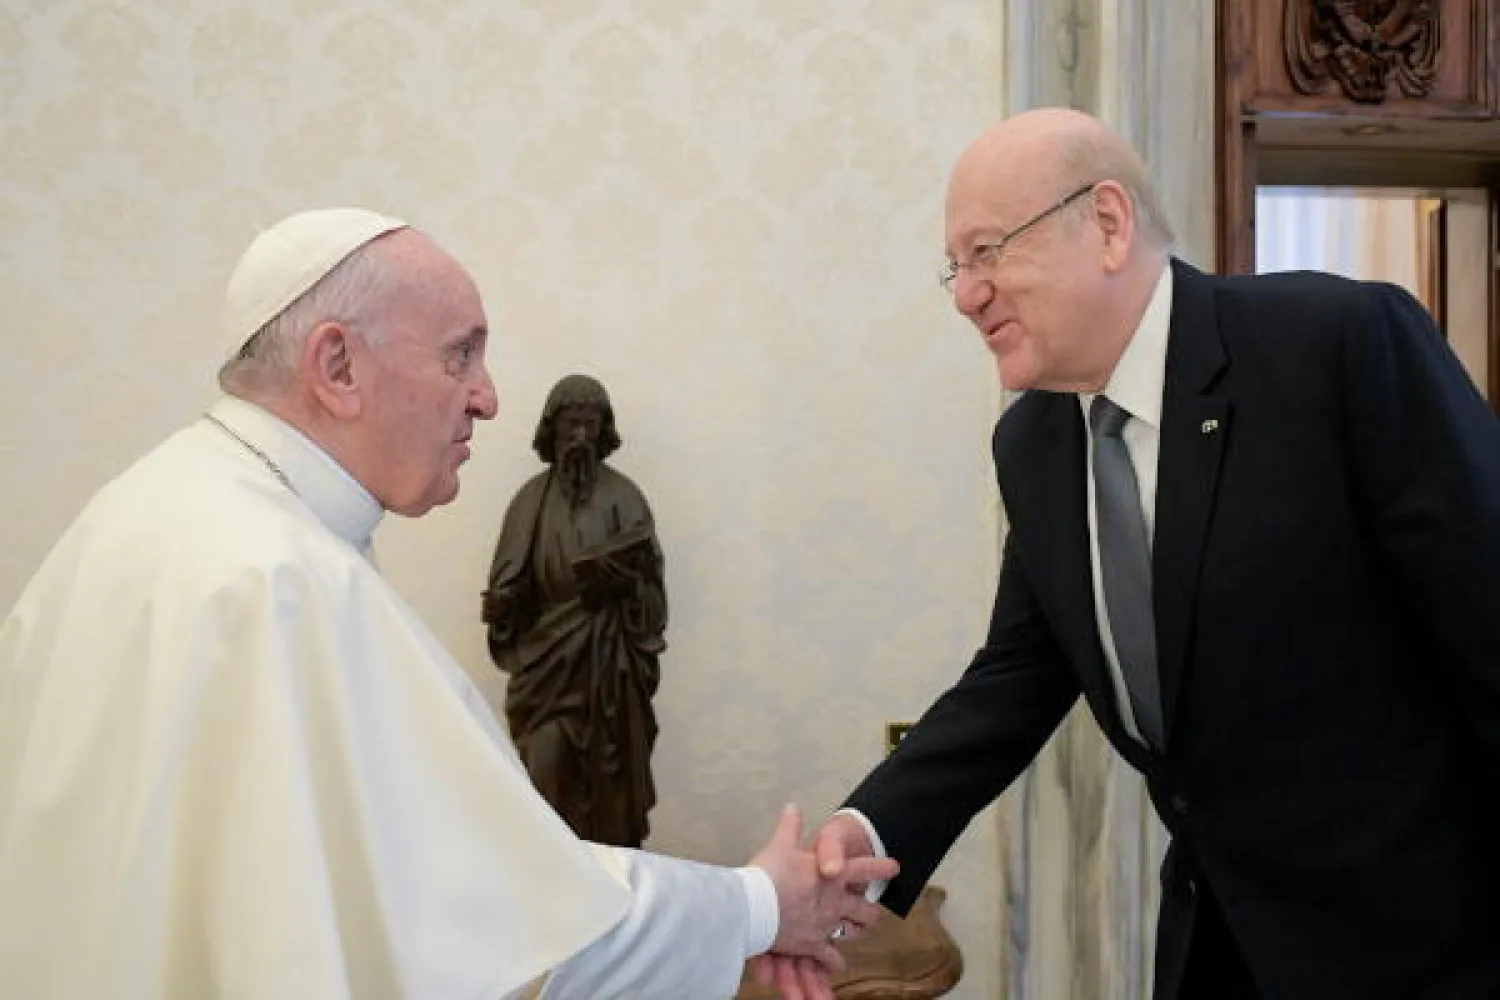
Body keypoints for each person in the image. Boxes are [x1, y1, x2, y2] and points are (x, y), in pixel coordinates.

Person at [0, 208, 893, 1000]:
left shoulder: (150, 509)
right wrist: (756, 905)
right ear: (337, 365)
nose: (490, 397)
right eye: (459, 353)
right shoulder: (283, 580)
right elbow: (505, 934)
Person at [766, 108, 1500, 999]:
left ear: (1107, 224)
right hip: (1219, 949)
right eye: (955, 267)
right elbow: (1016, 677)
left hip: (1424, 950)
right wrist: (868, 831)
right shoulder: (1033, 443)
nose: (966, 294)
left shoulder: (1334, 347)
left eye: (988, 251)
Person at [483, 373, 666, 848]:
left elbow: (653, 600)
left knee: (612, 788)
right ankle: (547, 887)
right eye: (570, 425)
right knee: (543, 773)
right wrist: (504, 606)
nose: (580, 436)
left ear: (604, 431)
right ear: (552, 430)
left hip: (611, 671)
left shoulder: (625, 499)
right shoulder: (530, 502)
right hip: (547, 671)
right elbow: (506, 588)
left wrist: (626, 587)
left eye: (589, 424)